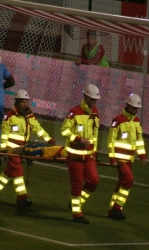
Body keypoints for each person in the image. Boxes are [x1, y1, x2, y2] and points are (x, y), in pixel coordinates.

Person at [0, 89, 55, 207]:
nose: (25, 104)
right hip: (12, 151)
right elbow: (4, 135)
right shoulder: (10, 117)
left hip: (22, 150)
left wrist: (49, 139)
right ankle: (21, 198)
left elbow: (37, 129)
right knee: (18, 173)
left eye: (26, 102)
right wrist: (4, 151)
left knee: (8, 173)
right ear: (17, 102)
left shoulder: (29, 116)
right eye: (22, 102)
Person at [60, 84, 100, 224]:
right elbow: (64, 131)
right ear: (85, 97)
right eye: (92, 98)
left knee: (94, 181)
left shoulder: (94, 113)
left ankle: (76, 203)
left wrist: (94, 152)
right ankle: (77, 214)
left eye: (96, 98)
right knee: (77, 185)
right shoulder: (74, 112)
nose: (95, 101)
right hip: (75, 157)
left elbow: (95, 135)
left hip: (89, 156)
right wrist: (78, 139)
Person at [107, 93, 146, 220]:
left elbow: (139, 139)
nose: (136, 111)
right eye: (134, 108)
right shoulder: (118, 121)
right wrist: (112, 159)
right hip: (120, 159)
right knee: (129, 180)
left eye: (137, 109)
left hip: (129, 159)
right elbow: (111, 141)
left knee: (121, 184)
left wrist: (142, 154)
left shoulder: (136, 121)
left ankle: (111, 211)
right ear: (127, 106)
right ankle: (117, 207)